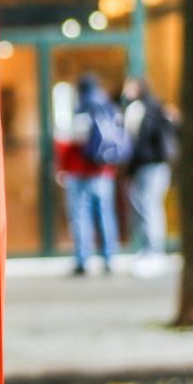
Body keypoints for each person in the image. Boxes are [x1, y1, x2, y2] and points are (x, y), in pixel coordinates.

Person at [54, 75, 125, 276]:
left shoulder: (82, 108)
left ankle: (82, 259)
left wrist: (62, 166)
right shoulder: (108, 108)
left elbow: (70, 140)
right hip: (103, 171)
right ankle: (109, 257)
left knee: (80, 217)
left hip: (79, 171)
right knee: (105, 215)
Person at [121, 77, 178, 277]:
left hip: (151, 166)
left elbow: (140, 143)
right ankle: (149, 249)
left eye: (129, 87)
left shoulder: (145, 110)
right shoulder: (152, 108)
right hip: (151, 166)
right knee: (146, 206)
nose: (126, 91)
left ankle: (154, 251)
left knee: (149, 207)